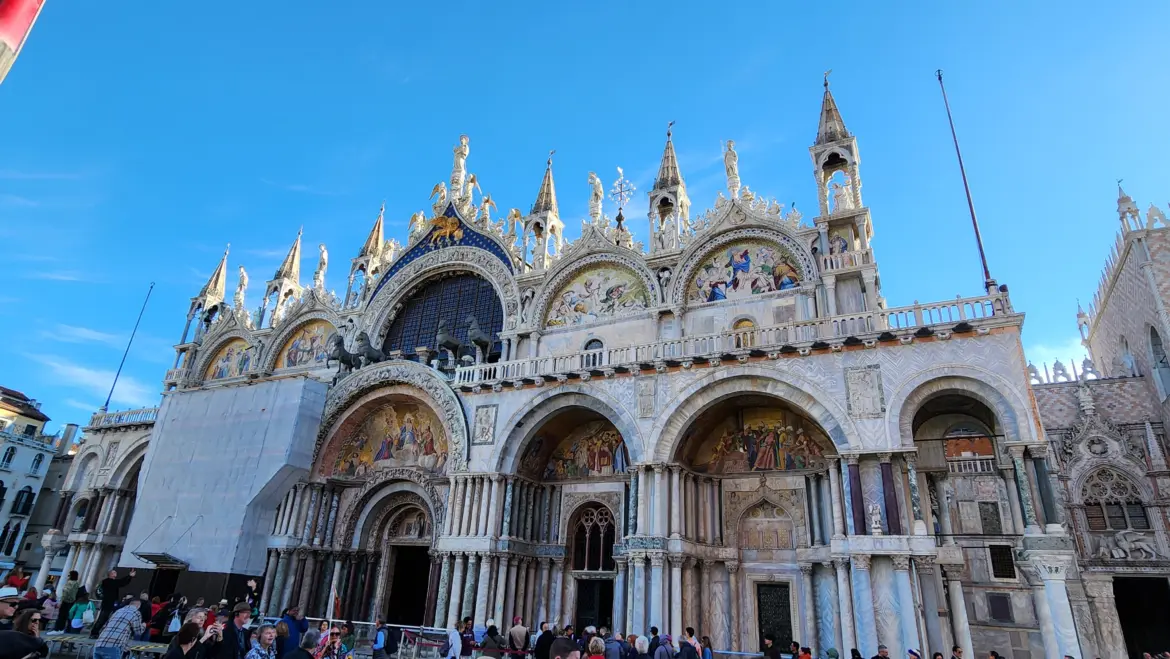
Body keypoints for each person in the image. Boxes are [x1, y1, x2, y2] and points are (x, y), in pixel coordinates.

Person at [89, 568, 136, 638]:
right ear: (110, 574)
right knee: (102, 618)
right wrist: (129, 576)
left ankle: (99, 632)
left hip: (111, 602)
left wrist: (129, 577)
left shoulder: (113, 582)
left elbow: (122, 583)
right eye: (114, 572)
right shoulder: (107, 581)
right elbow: (120, 582)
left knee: (107, 618)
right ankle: (94, 632)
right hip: (107, 603)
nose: (115, 573)